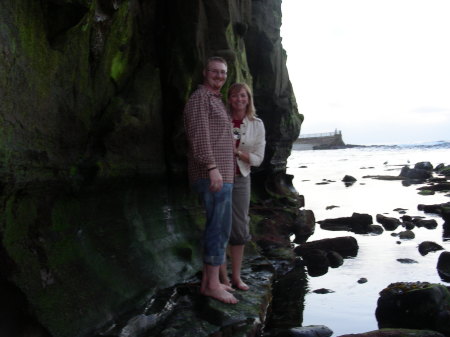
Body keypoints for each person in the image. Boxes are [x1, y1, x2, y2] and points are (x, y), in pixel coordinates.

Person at [183, 56, 238, 304]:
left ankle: (209, 283)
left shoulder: (216, 101)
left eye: (223, 72)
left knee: (221, 227)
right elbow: (199, 136)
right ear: (205, 73)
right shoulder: (199, 99)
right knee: (216, 228)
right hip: (212, 174)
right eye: (215, 71)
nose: (219, 76)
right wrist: (212, 167)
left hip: (223, 174)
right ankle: (212, 285)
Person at [220, 83, 266, 291]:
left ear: (248, 98)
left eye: (243, 95)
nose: (239, 99)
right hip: (219, 176)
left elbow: (257, 159)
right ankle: (223, 279)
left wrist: (237, 153)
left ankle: (236, 277)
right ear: (229, 99)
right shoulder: (221, 119)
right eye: (234, 96)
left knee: (239, 229)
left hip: (241, 178)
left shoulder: (256, 125)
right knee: (219, 226)